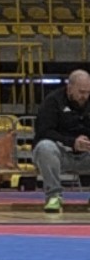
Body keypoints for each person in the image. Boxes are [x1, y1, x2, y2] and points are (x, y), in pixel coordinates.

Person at [31, 69, 90, 213]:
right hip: (60, 152)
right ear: (69, 88)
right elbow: (44, 131)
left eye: (88, 92)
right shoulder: (53, 101)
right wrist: (72, 142)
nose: (85, 96)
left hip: (86, 154)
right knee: (45, 146)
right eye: (81, 92)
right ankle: (54, 196)